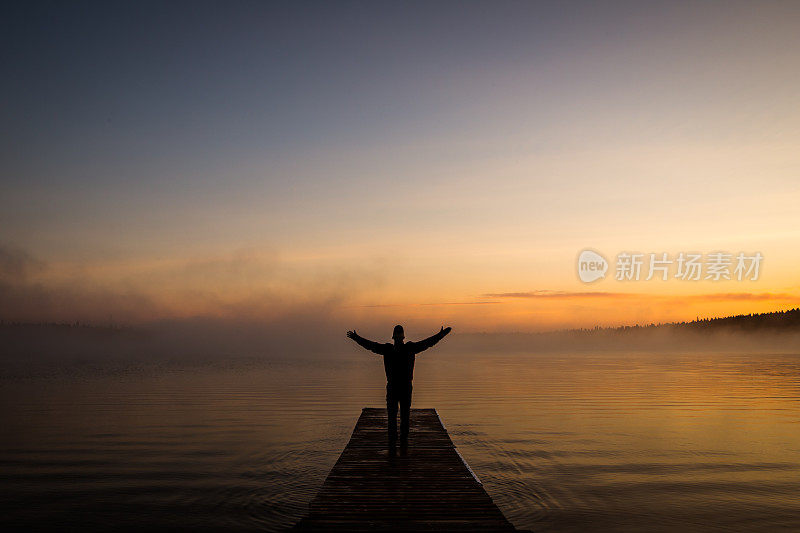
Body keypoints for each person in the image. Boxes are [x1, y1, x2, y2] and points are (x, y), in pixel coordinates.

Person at [347, 325, 452, 442]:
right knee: (402, 416)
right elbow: (427, 343)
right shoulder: (407, 348)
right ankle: (402, 441)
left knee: (396, 417)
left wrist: (356, 338)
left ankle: (397, 442)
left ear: (394, 337)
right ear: (403, 337)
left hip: (397, 387)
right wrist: (440, 335)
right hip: (401, 387)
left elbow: (371, 346)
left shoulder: (391, 349)